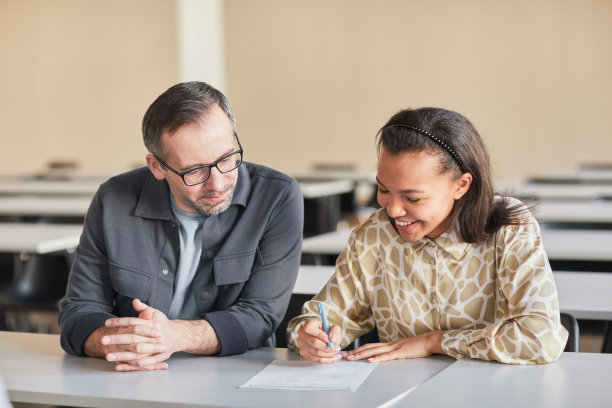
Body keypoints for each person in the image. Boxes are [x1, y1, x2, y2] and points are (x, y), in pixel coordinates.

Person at [287, 107, 568, 365]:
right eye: (384, 190)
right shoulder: (373, 236)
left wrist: (434, 342)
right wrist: (308, 335)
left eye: (413, 198)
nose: (393, 210)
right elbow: (324, 317)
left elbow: (541, 338)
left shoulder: (509, 228)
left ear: (461, 185)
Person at [59, 81, 304, 371]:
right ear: (156, 167)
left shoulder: (277, 197)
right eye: (194, 170)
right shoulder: (113, 200)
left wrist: (174, 337)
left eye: (227, 158)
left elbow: (261, 315)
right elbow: (78, 311)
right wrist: (118, 344)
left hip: (237, 373)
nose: (218, 183)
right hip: (133, 375)